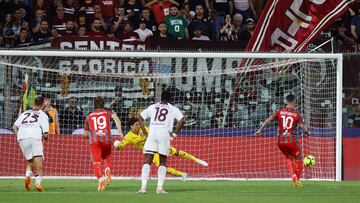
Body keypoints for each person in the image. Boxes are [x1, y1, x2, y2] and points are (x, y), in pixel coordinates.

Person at [114, 117, 208, 179]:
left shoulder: (144, 129)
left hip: (159, 145)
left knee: (177, 152)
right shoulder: (128, 137)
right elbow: (120, 147)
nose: (138, 126)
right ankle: (182, 174)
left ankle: (197, 160)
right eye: (136, 125)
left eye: (139, 124)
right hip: (151, 152)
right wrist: (117, 145)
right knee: (162, 167)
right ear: (131, 126)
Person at [137, 89, 186, 194]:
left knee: (148, 160)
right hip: (164, 133)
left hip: (153, 132)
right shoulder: (172, 108)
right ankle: (159, 188)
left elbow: (139, 117)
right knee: (162, 161)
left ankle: (143, 187)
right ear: (170, 99)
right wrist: (174, 133)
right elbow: (182, 120)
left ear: (161, 98)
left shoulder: (153, 106)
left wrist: (145, 132)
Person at [255, 94, 309, 188]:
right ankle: (297, 180)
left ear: (286, 101)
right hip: (291, 139)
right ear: (295, 100)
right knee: (299, 158)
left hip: (280, 141)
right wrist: (307, 132)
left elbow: (268, 120)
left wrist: (260, 130)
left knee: (289, 158)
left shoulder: (280, 111)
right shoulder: (297, 114)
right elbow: (303, 128)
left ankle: (293, 175)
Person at [83, 96, 123, 191]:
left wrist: (91, 136)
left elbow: (85, 134)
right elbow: (116, 119)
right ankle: (108, 169)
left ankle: (100, 180)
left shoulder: (89, 116)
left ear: (94, 105)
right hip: (106, 139)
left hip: (95, 141)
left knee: (96, 162)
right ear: (103, 104)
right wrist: (120, 132)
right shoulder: (108, 113)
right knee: (107, 157)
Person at [13, 96, 49, 192]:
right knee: (39, 162)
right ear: (43, 105)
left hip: (22, 137)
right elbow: (46, 134)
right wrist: (45, 137)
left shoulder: (25, 113)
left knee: (30, 161)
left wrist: (18, 138)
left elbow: (14, 127)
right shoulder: (43, 115)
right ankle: (37, 184)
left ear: (34, 103)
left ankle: (27, 177)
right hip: (34, 137)